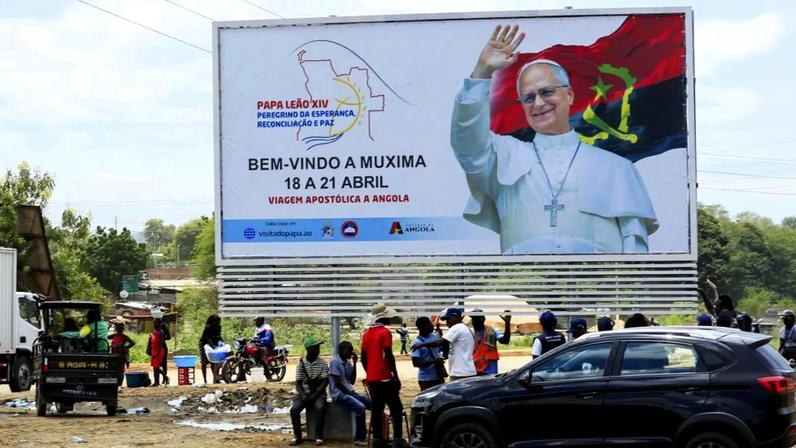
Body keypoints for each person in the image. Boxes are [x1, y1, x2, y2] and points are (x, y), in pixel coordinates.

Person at [450, 24, 657, 254]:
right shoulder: (504, 155)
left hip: (598, 288)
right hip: (522, 286)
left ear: (568, 95)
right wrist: (481, 73)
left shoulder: (617, 168)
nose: (538, 103)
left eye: (547, 92)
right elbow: (467, 142)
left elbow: (635, 248)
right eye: (528, 98)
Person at [360, 303, 404, 448]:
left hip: (373, 379)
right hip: (385, 377)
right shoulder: (385, 332)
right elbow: (389, 356)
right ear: (385, 318)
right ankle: (397, 440)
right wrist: (395, 376)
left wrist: (370, 372)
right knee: (396, 408)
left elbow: (363, 357)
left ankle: (377, 440)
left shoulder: (366, 334)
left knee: (377, 410)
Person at [414, 308, 477, 381]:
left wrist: (421, 344)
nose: (447, 323)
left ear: (456, 317)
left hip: (461, 373)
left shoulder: (457, 327)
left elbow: (440, 342)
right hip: (465, 371)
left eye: (448, 319)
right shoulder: (464, 328)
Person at [290, 337, 329, 446]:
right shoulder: (301, 363)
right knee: (294, 410)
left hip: (318, 393)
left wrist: (314, 395)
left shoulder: (322, 363)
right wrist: (303, 395)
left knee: (320, 408)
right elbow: (298, 383)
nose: (318, 349)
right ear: (309, 349)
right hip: (304, 393)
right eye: (316, 347)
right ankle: (297, 436)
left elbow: (324, 383)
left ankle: (319, 436)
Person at [329, 341, 369, 447]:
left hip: (349, 391)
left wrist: (355, 363)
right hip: (338, 394)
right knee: (360, 408)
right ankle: (359, 438)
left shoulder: (347, 363)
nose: (351, 352)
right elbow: (338, 383)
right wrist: (351, 394)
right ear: (342, 350)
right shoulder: (335, 362)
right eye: (349, 350)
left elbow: (351, 381)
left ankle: (369, 431)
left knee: (371, 403)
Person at [470, 309, 511, 375]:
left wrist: (507, 324)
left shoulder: (493, 331)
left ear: (483, 319)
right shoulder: (470, 332)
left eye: (477, 319)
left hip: (490, 369)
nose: (474, 321)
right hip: (474, 368)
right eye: (473, 319)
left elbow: (505, 341)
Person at [410, 317, 446, 390]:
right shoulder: (416, 343)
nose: (432, 326)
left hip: (439, 376)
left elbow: (440, 347)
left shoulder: (434, 337)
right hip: (426, 380)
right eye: (429, 324)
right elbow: (416, 363)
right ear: (422, 327)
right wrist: (434, 361)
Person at [147, 312, 171, 386]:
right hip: (155, 347)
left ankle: (165, 378)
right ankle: (157, 381)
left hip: (160, 348)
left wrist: (161, 339)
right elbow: (151, 338)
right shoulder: (155, 329)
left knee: (163, 364)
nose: (154, 323)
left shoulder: (162, 328)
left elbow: (168, 337)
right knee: (155, 366)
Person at [199, 314, 223, 384]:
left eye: (219, 321)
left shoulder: (218, 327)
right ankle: (205, 380)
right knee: (204, 362)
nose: (218, 322)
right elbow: (208, 339)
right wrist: (213, 348)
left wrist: (222, 343)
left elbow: (219, 336)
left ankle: (215, 379)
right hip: (204, 344)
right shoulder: (208, 327)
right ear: (212, 321)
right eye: (216, 321)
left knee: (214, 362)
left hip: (214, 343)